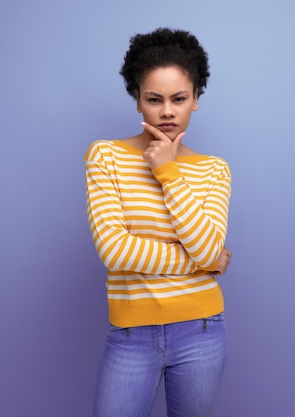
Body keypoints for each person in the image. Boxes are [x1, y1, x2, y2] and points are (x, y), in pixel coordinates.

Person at [84, 27, 232, 417]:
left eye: (179, 99)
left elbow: (203, 247)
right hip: (131, 335)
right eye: (154, 99)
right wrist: (203, 263)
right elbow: (114, 251)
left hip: (202, 331)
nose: (167, 111)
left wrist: (167, 172)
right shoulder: (106, 157)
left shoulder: (214, 170)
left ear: (196, 99)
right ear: (137, 100)